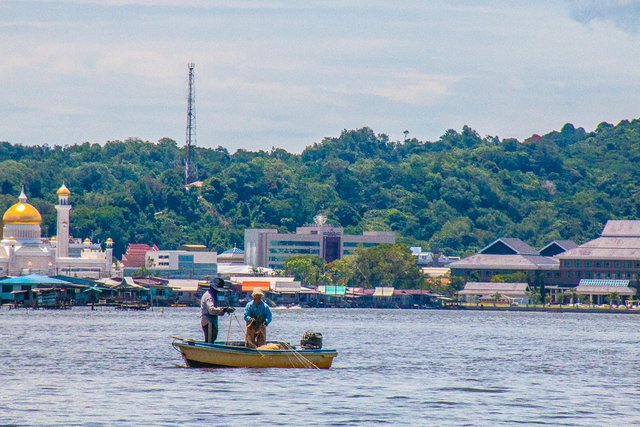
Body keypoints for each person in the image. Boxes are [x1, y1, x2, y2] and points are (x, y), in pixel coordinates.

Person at [200, 278, 233, 343]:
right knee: (209, 340)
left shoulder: (212, 295)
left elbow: (215, 310)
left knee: (212, 338)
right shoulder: (209, 297)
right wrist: (224, 309)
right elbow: (211, 310)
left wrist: (224, 310)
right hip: (208, 321)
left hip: (212, 321)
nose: (218, 291)